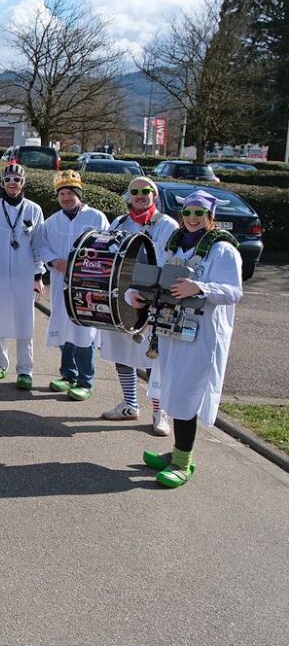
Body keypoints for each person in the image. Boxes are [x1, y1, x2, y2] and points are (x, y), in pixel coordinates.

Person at [129, 190, 243, 488]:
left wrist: (200, 288)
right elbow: (157, 278)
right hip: (170, 329)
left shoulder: (223, 249)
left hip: (201, 333)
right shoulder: (173, 243)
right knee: (170, 390)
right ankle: (178, 451)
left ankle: (183, 462)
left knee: (186, 394)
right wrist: (140, 295)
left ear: (210, 217)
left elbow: (233, 291)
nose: (192, 218)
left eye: (199, 213)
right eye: (188, 212)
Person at [98, 177, 178, 434]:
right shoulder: (120, 223)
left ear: (154, 195)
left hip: (153, 301)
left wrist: (151, 292)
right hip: (122, 300)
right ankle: (130, 404)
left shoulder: (167, 225)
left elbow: (170, 261)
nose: (140, 195)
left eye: (146, 191)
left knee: (153, 359)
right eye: (135, 192)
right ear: (128, 196)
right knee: (123, 354)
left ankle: (159, 412)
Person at [36, 170, 108, 400]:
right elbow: (41, 246)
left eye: (70, 193)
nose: (66, 198)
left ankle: (85, 381)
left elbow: (109, 246)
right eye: (62, 194)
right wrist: (54, 261)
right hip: (60, 283)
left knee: (83, 331)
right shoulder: (52, 221)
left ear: (78, 193)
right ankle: (68, 375)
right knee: (63, 327)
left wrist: (85, 264)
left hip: (87, 286)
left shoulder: (96, 218)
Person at [0, 163, 46, 390]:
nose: (12, 183)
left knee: (25, 322)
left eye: (17, 179)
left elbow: (38, 244)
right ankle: (0, 363)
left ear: (23, 183)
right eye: (8, 180)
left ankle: (25, 369)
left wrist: (38, 275)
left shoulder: (34, 209)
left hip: (24, 275)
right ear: (2, 183)